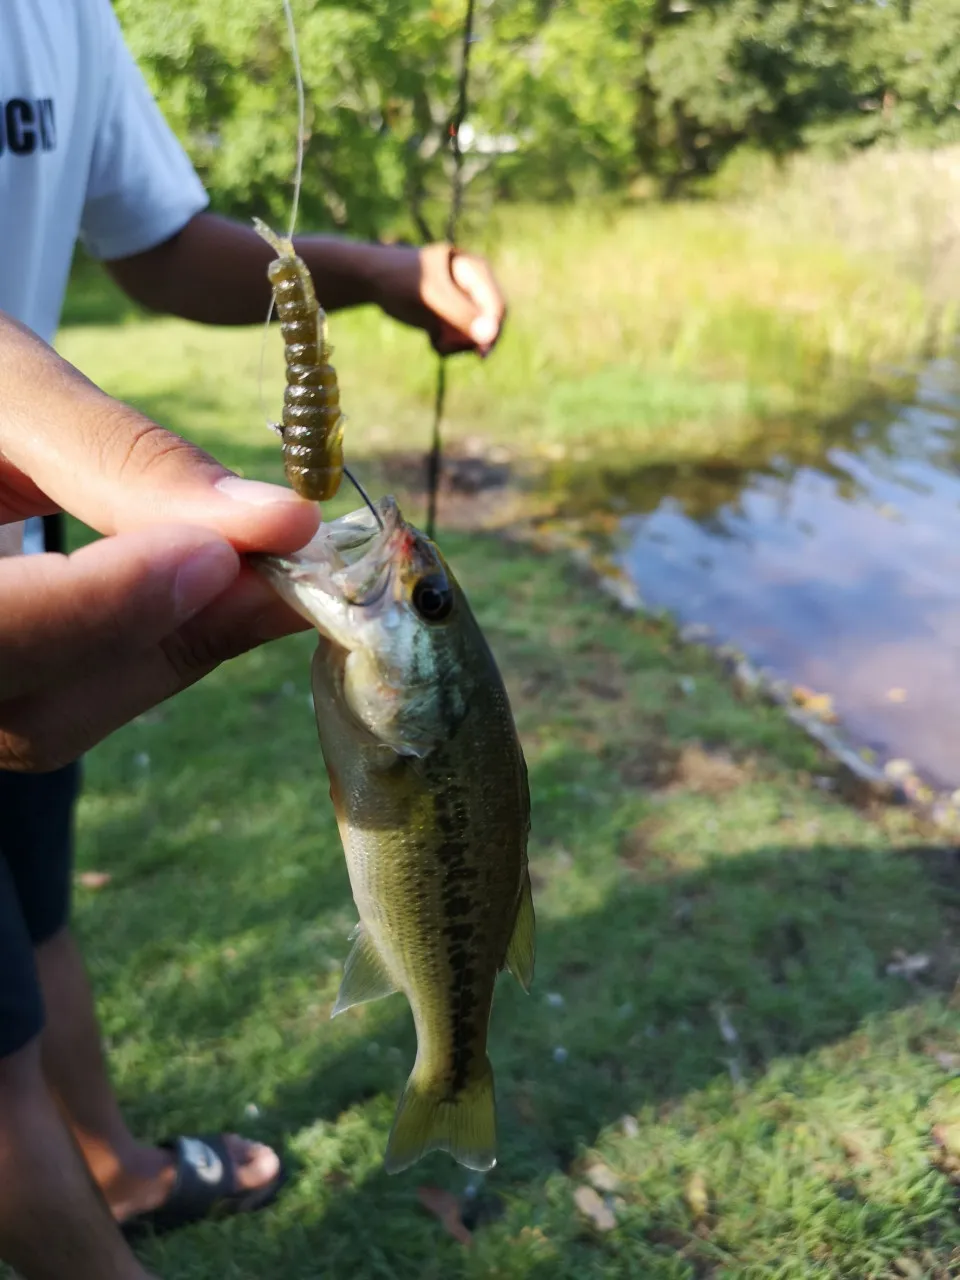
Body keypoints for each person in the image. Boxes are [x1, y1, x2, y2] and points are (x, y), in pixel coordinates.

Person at [0, 2, 506, 1277]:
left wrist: (383, 272)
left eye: (422, 599)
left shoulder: (68, 15)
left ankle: (117, 1162)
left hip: (23, 557)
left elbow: (159, 240)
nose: (399, 567)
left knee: (38, 907)